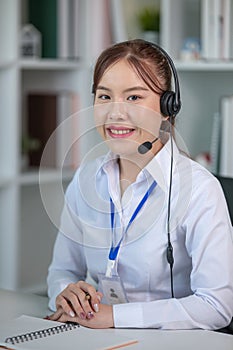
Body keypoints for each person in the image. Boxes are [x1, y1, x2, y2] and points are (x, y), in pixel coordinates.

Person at [46, 39, 233, 330]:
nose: (115, 113)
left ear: (167, 107)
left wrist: (113, 318)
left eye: (133, 98)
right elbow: (63, 270)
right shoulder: (86, 179)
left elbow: (217, 306)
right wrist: (65, 293)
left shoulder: (199, 190)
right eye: (104, 96)